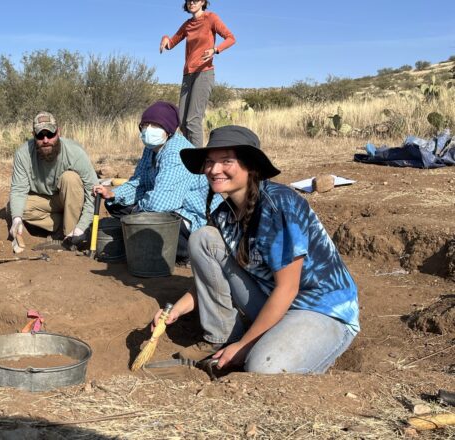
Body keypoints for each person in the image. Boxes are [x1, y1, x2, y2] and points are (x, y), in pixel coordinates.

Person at [150, 125, 359, 374]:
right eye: (209, 162)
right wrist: (174, 310)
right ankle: (222, 337)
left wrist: (245, 346)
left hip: (318, 309)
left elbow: (288, 288)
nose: (214, 170)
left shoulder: (278, 205)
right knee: (203, 238)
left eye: (226, 160)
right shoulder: (223, 215)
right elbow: (211, 279)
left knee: (263, 368)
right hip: (270, 299)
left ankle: (313, 346)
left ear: (250, 165)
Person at [92, 101, 220, 262]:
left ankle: (183, 253)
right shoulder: (150, 149)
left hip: (195, 213)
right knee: (115, 203)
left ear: (169, 130)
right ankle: (141, 236)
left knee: (151, 221)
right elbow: (139, 182)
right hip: (167, 203)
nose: (148, 130)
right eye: (145, 125)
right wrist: (113, 194)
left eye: (155, 125)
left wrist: (136, 214)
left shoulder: (177, 153)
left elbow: (162, 202)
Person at [8, 111, 98, 249]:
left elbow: (94, 192)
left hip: (72, 198)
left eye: (50, 134)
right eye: (40, 135)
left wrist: (82, 225)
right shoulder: (23, 154)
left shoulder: (75, 152)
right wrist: (16, 219)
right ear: (33, 135)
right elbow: (18, 190)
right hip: (46, 202)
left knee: (71, 178)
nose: (45, 140)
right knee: (14, 208)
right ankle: (61, 224)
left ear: (58, 132)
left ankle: (71, 236)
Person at [159, 0, 235, 147]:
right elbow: (171, 44)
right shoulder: (187, 25)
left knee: (193, 120)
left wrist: (215, 50)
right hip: (188, 75)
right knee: (182, 121)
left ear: (203, 2)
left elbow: (231, 38)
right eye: (188, 0)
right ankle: (189, 158)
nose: (191, 2)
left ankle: (198, 163)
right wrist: (164, 38)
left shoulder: (211, 18)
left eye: (195, 0)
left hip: (204, 73)